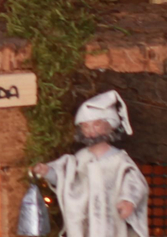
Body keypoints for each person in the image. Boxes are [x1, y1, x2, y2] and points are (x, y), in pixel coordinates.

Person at [31, 90, 149, 237]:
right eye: (86, 126)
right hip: (86, 223)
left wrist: (128, 200)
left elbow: (134, 182)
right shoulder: (81, 158)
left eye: (96, 124)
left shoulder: (119, 160)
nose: (91, 131)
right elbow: (66, 178)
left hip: (111, 222)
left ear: (109, 125)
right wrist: (48, 171)